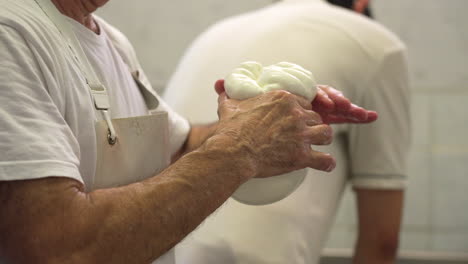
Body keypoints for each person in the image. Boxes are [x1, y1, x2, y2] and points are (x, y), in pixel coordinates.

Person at [0, 0, 377, 263]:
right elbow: (56, 248)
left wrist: (265, 123)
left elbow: (178, 149)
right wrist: (242, 147)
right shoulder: (12, 32)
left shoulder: (109, 41)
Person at [164, 0, 410, 263]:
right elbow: (383, 241)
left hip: (155, 250)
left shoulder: (213, 34)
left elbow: (170, 149)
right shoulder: (379, 45)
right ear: (362, 4)